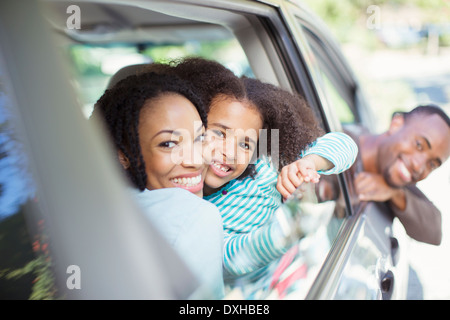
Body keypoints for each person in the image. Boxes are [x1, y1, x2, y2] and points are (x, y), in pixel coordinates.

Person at [140, 58, 358, 281]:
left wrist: (309, 162)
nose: (231, 153)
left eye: (246, 144)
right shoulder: (174, 192)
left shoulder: (267, 165)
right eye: (219, 133)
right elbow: (224, 259)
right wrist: (279, 235)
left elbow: (346, 146)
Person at [90, 72, 225, 299]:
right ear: (123, 155)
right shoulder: (194, 216)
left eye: (200, 138)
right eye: (168, 144)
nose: (195, 160)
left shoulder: (90, 209)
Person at [278, 104, 450, 246]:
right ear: (396, 124)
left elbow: (434, 231)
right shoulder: (330, 145)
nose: (419, 166)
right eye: (419, 145)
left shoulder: (397, 183)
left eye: (432, 164)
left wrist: (395, 194)